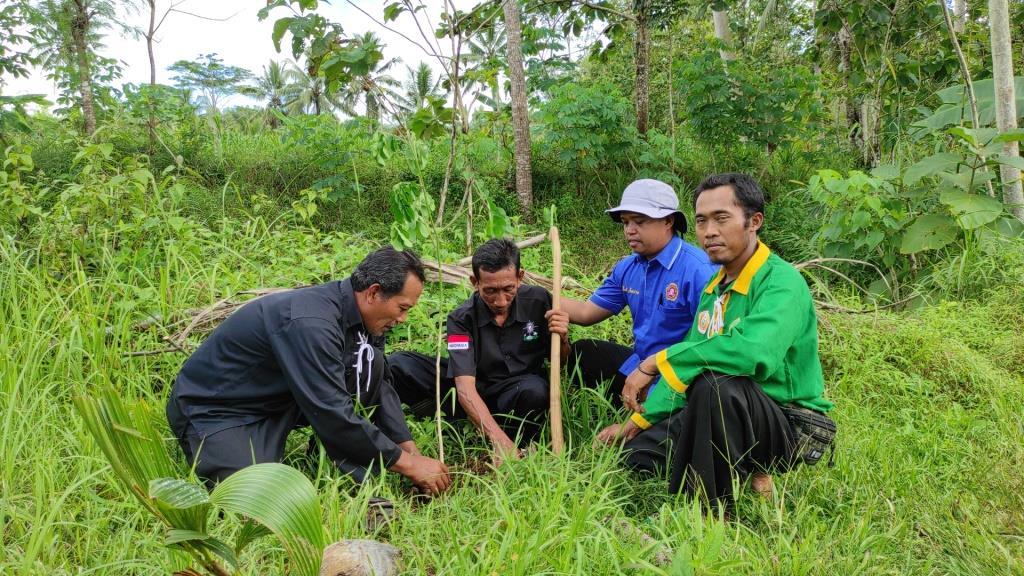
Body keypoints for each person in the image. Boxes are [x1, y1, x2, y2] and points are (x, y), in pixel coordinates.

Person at [606, 172, 834, 509]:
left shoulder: (782, 282)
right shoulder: (714, 287)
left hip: (789, 421)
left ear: (753, 222)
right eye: (701, 221)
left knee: (714, 382)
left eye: (721, 218)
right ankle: (728, 468)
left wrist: (655, 362)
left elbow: (752, 352)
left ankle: (714, 511)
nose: (709, 231)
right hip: (722, 410)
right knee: (635, 456)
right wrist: (637, 422)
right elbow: (689, 364)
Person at [165, 247, 451, 495]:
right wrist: (409, 465)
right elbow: (330, 409)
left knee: (370, 362)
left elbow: (380, 382)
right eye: (402, 308)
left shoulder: (367, 318)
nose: (403, 319)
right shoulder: (312, 322)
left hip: (279, 400)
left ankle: (341, 460)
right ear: (374, 292)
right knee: (258, 498)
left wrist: (408, 449)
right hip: (218, 409)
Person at [546, 178, 717, 470]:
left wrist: (655, 372)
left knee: (634, 457)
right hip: (640, 368)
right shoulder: (629, 267)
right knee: (587, 352)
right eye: (625, 222)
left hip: (682, 376)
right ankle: (636, 406)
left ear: (668, 221)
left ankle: (651, 420)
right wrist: (532, 297)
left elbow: (708, 346)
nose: (629, 230)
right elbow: (587, 312)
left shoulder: (698, 270)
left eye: (639, 221)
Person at [389, 238, 570, 461]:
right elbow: (464, 387)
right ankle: (459, 421)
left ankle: (510, 434)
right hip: (475, 386)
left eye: (508, 289)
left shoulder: (539, 300)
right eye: (490, 291)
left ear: (520, 277)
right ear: (475, 281)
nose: (501, 301)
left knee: (535, 390)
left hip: (519, 391)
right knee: (399, 364)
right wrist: (502, 444)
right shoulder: (460, 318)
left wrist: (562, 339)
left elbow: (559, 364)